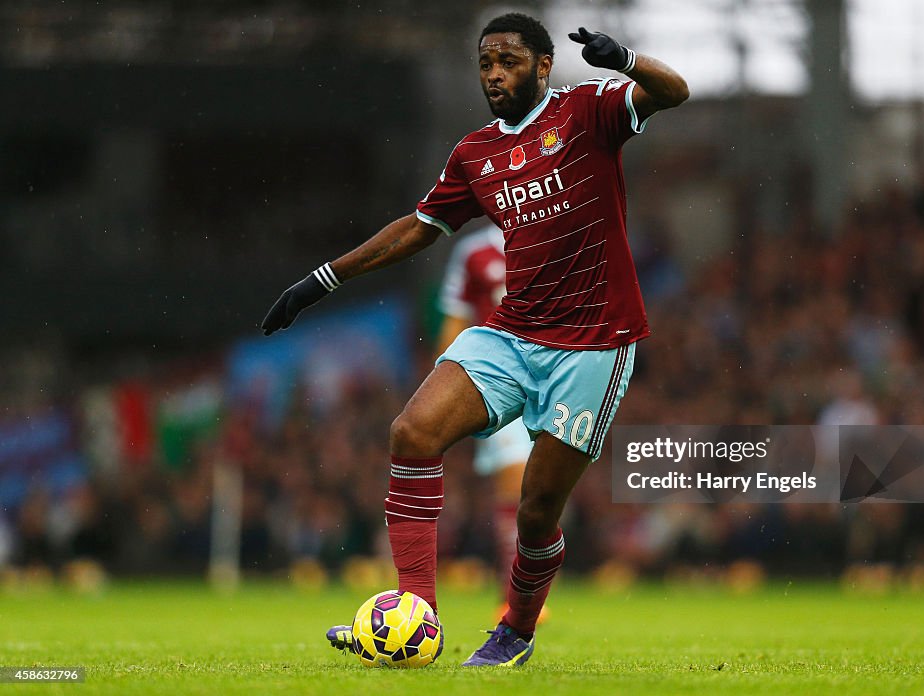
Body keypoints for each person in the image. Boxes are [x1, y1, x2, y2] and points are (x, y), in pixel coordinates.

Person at [261, 12, 688, 667]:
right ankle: (416, 616)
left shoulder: (585, 112)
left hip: (594, 345)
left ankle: (515, 631)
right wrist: (324, 279)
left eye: (508, 62)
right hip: (513, 333)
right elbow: (420, 227)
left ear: (543, 67)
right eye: (485, 63)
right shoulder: (475, 153)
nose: (494, 74)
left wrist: (624, 58)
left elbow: (674, 91)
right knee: (413, 432)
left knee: (536, 512)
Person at [435, 224, 537, 620]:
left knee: (543, 489)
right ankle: (514, 593)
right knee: (517, 477)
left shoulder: (559, 239)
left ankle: (525, 585)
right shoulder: (474, 253)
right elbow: (454, 321)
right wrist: (442, 390)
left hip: (553, 379)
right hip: (498, 381)